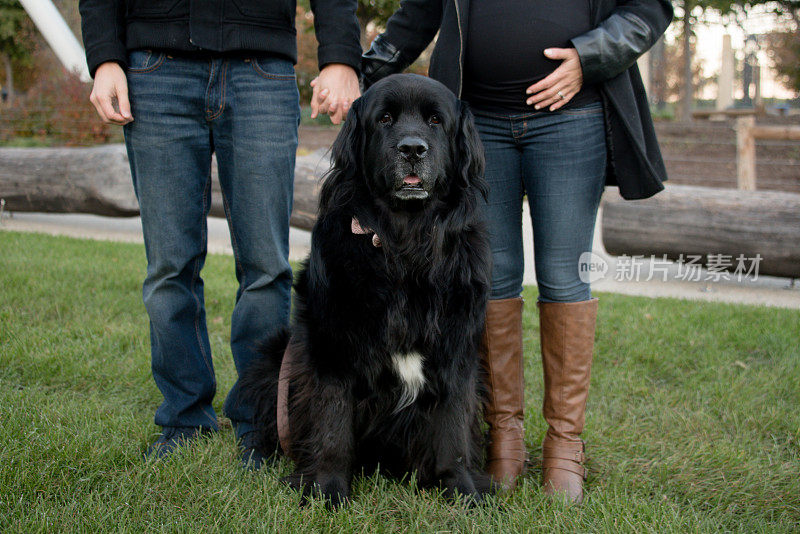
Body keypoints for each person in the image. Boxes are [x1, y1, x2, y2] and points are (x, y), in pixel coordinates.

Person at [361, 0, 673, 502]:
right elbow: (418, 12)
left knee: (565, 279)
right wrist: (357, 69)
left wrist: (587, 56)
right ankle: (503, 436)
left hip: (573, 118)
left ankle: (564, 445)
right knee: (492, 279)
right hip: (474, 123)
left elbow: (648, 8)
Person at [79, 0, 362, 466]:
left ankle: (259, 422)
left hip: (261, 70)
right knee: (170, 268)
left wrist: (340, 58)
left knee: (265, 269)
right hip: (155, 69)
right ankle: (184, 418)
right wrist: (105, 56)